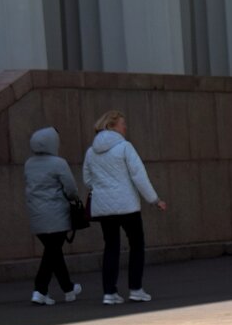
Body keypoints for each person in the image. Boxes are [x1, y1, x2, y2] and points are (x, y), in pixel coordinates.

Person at [83, 110, 166, 305]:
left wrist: (103, 189)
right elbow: (139, 176)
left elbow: (87, 180)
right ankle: (136, 289)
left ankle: (109, 293)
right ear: (111, 126)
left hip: (104, 208)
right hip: (127, 206)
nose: (125, 127)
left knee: (111, 247)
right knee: (136, 245)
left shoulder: (90, 151)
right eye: (122, 123)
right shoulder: (125, 147)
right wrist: (154, 199)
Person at [25, 127, 83, 305]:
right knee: (53, 252)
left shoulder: (29, 163)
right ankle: (40, 289)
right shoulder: (58, 163)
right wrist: (74, 199)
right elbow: (71, 188)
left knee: (53, 252)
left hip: (36, 214)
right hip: (56, 213)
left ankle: (67, 288)